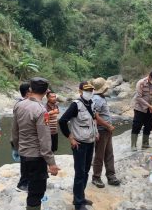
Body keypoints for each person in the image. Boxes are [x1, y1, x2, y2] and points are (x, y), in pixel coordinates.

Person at [12, 77, 60, 210]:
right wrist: (51, 163)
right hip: (36, 157)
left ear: (31, 89)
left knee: (29, 187)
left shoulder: (19, 105)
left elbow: (15, 132)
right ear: (45, 93)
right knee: (36, 192)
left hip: (24, 154)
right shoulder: (41, 110)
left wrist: (17, 149)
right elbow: (44, 140)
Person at [59, 82, 99, 210]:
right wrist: (71, 138)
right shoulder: (75, 105)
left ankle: (81, 196)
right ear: (80, 91)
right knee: (80, 172)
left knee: (86, 171)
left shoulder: (91, 103)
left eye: (91, 90)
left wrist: (96, 132)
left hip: (90, 142)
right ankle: (78, 203)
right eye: (87, 90)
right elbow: (62, 121)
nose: (90, 92)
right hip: (80, 144)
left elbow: (93, 120)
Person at [90, 77, 121, 188]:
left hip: (106, 130)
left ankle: (111, 176)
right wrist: (108, 125)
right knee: (100, 155)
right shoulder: (97, 99)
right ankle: (96, 177)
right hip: (102, 130)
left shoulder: (101, 97)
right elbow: (95, 116)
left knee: (109, 153)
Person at [131, 70, 152, 151]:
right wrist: (149, 106)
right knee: (137, 125)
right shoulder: (140, 83)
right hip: (140, 108)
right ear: (149, 76)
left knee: (148, 126)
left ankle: (145, 144)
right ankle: (133, 145)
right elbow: (138, 97)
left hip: (150, 109)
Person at [11, 82, 31, 192]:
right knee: (25, 163)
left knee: (26, 162)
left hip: (22, 138)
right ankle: (22, 184)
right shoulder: (20, 105)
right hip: (22, 138)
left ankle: (26, 182)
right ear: (28, 92)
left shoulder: (22, 104)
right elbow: (16, 126)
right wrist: (16, 143)